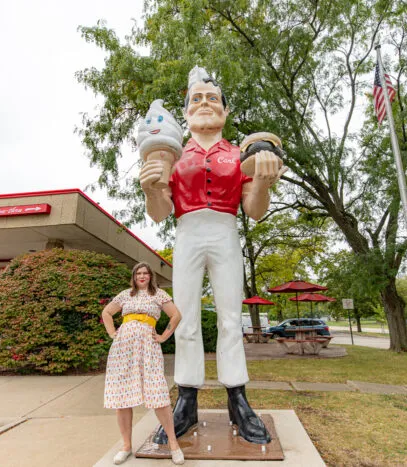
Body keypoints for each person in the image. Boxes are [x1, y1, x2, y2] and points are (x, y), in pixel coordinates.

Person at [139, 66, 285, 444]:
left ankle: (237, 396)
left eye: (213, 99)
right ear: (185, 112)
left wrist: (264, 181)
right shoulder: (171, 153)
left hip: (224, 230)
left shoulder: (241, 154)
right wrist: (150, 188)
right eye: (196, 99)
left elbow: (254, 209)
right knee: (184, 318)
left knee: (230, 318)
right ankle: (186, 399)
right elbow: (159, 212)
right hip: (187, 231)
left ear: (225, 111)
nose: (205, 104)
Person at [102, 262, 184, 465]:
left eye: (145, 273)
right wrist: (113, 333)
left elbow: (176, 315)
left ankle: (173, 444)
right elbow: (106, 313)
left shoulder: (159, 295)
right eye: (138, 273)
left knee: (158, 393)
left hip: (148, 346)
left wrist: (164, 336)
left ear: (150, 276)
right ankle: (126, 446)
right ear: (134, 276)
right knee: (122, 397)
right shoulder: (125, 295)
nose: (142, 276)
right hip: (123, 348)